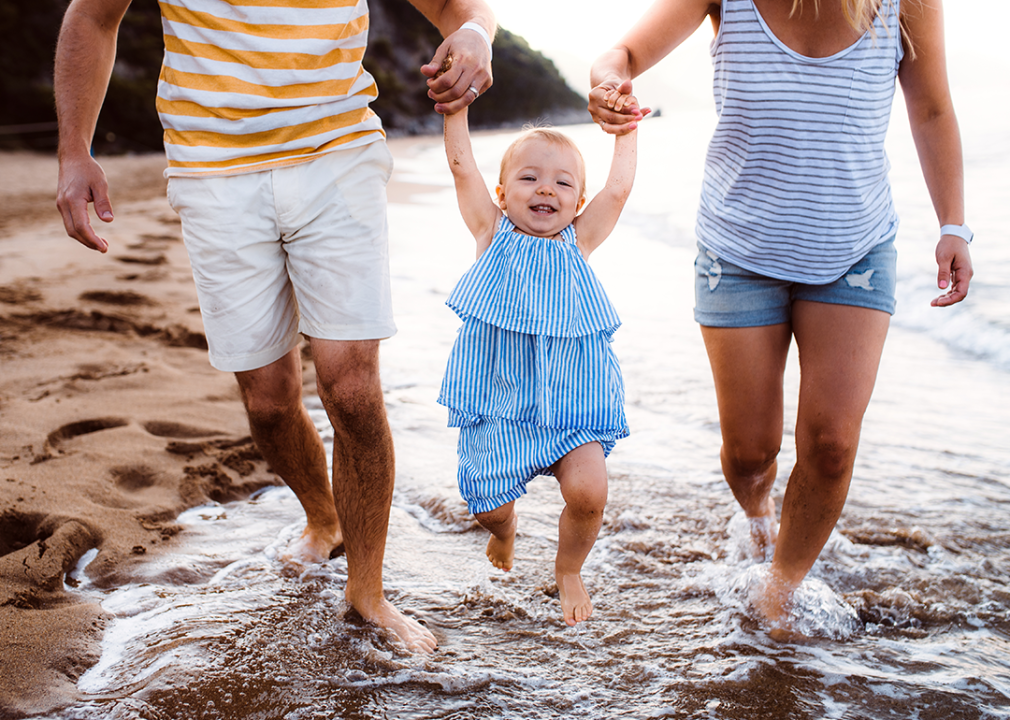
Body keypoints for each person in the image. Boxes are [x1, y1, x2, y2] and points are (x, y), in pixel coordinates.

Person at [54, 0, 497, 653]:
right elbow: (92, 17)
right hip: (213, 168)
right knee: (268, 401)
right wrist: (74, 153)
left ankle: (368, 596)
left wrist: (474, 32)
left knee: (350, 388)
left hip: (336, 153)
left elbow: (457, 7)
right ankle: (324, 518)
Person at [589, 0, 973, 635]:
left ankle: (782, 585)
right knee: (749, 452)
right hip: (737, 250)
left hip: (854, 248)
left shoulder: (908, 4)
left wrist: (953, 225)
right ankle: (760, 513)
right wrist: (607, 81)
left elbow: (931, 108)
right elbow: (622, 56)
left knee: (830, 444)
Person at [437, 95, 644, 626]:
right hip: (502, 404)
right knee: (487, 506)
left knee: (589, 491)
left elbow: (618, 190)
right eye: (529, 179)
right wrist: (455, 110)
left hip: (574, 405)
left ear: (578, 203)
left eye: (562, 183)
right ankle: (506, 533)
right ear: (503, 194)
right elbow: (462, 168)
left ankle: (569, 569)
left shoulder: (580, 239)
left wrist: (626, 131)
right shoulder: (491, 232)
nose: (546, 188)